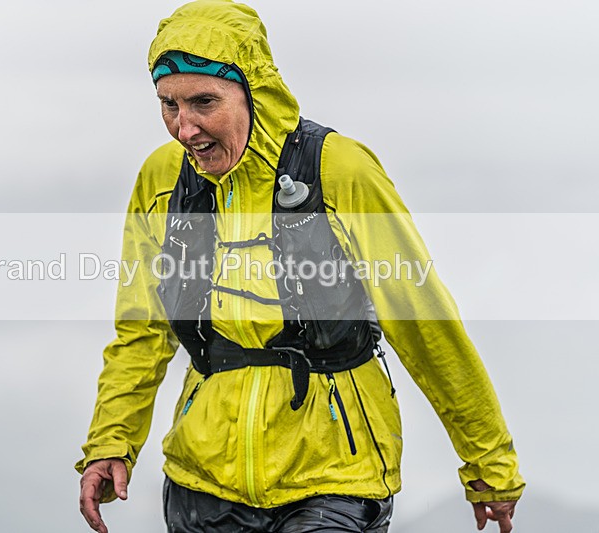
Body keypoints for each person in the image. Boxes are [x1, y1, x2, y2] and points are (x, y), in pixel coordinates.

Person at [77, 1, 524, 532]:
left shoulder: (339, 169)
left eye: (204, 102)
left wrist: (488, 463)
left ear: (253, 92)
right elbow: (143, 330)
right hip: (203, 478)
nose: (184, 128)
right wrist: (112, 440)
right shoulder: (162, 181)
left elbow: (423, 322)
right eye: (168, 104)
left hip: (336, 473)